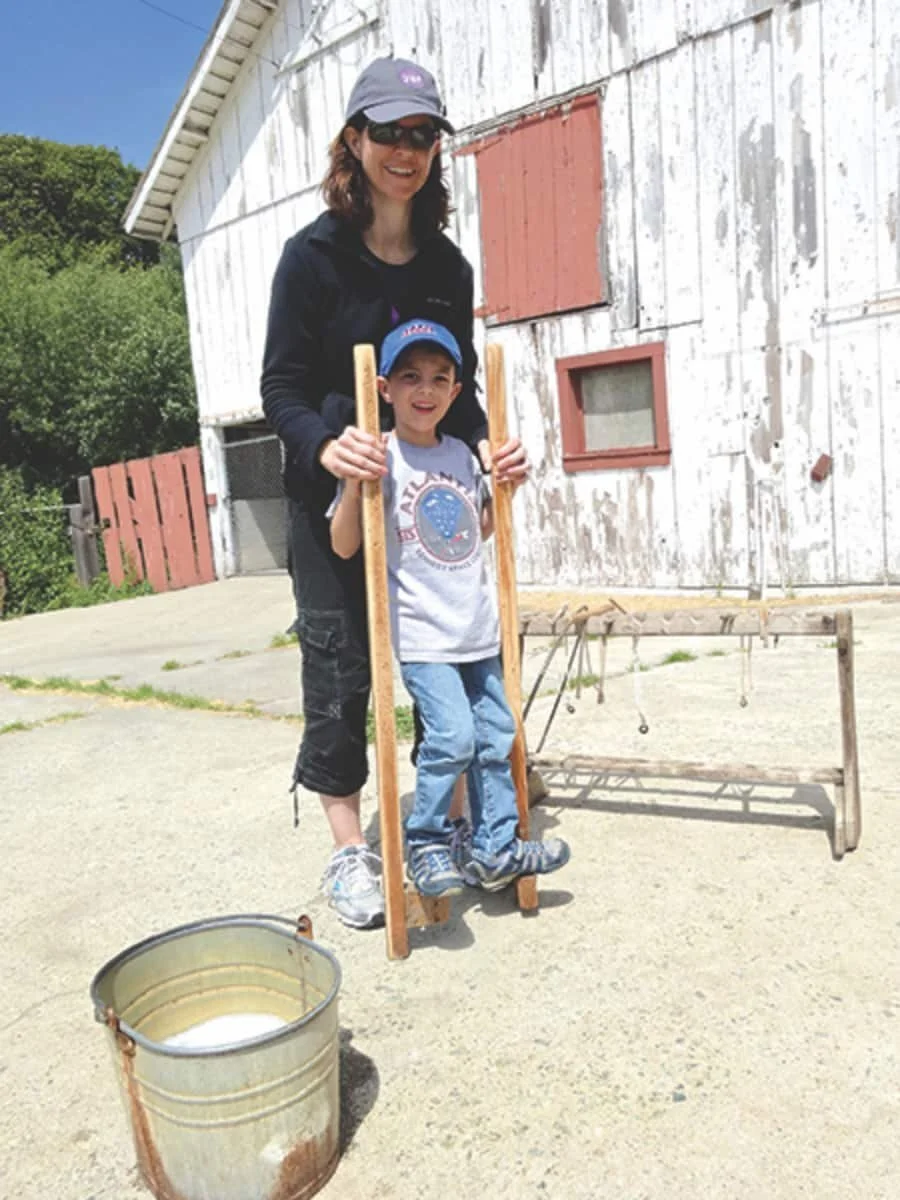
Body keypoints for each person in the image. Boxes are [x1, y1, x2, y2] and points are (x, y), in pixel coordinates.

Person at [260, 57, 528, 928]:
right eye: (388, 132)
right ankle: (349, 852)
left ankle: (446, 832)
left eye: (422, 135)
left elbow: (463, 391)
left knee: (446, 661)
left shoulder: (447, 267)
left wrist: (491, 453)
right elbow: (282, 389)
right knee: (342, 676)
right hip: (340, 501)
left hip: (431, 506)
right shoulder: (311, 259)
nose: (405, 150)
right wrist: (323, 446)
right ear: (354, 139)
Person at [330, 319, 570, 895]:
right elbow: (344, 543)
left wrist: (506, 490)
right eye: (411, 376)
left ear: (456, 393)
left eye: (441, 378)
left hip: (477, 629)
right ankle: (428, 842)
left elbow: (474, 532)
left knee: (497, 736)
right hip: (424, 636)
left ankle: (493, 848)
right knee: (454, 738)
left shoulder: (464, 453)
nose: (426, 389)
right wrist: (351, 482)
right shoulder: (380, 454)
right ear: (384, 388)